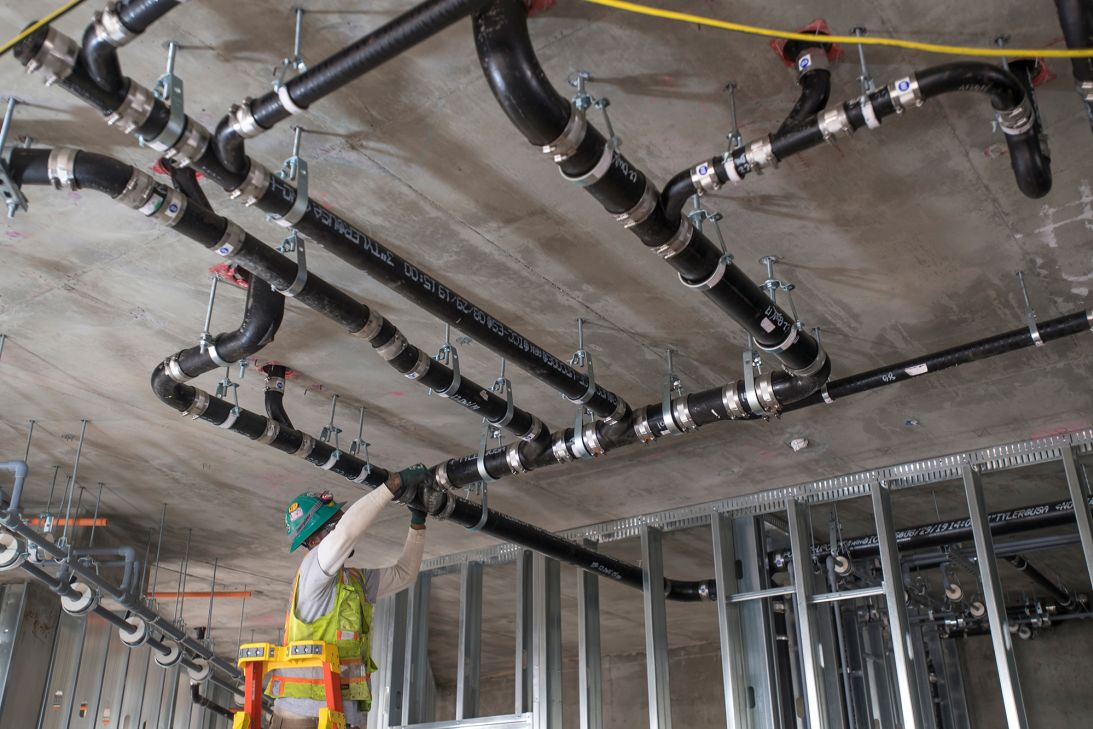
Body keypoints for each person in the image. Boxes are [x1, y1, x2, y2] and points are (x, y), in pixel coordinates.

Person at [268, 477, 427, 729]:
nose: (341, 523)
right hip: (302, 719)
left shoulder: (354, 581)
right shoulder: (312, 568)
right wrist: (391, 486)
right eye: (334, 522)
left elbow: (404, 575)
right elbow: (347, 533)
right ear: (312, 540)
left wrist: (417, 522)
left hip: (341, 720)